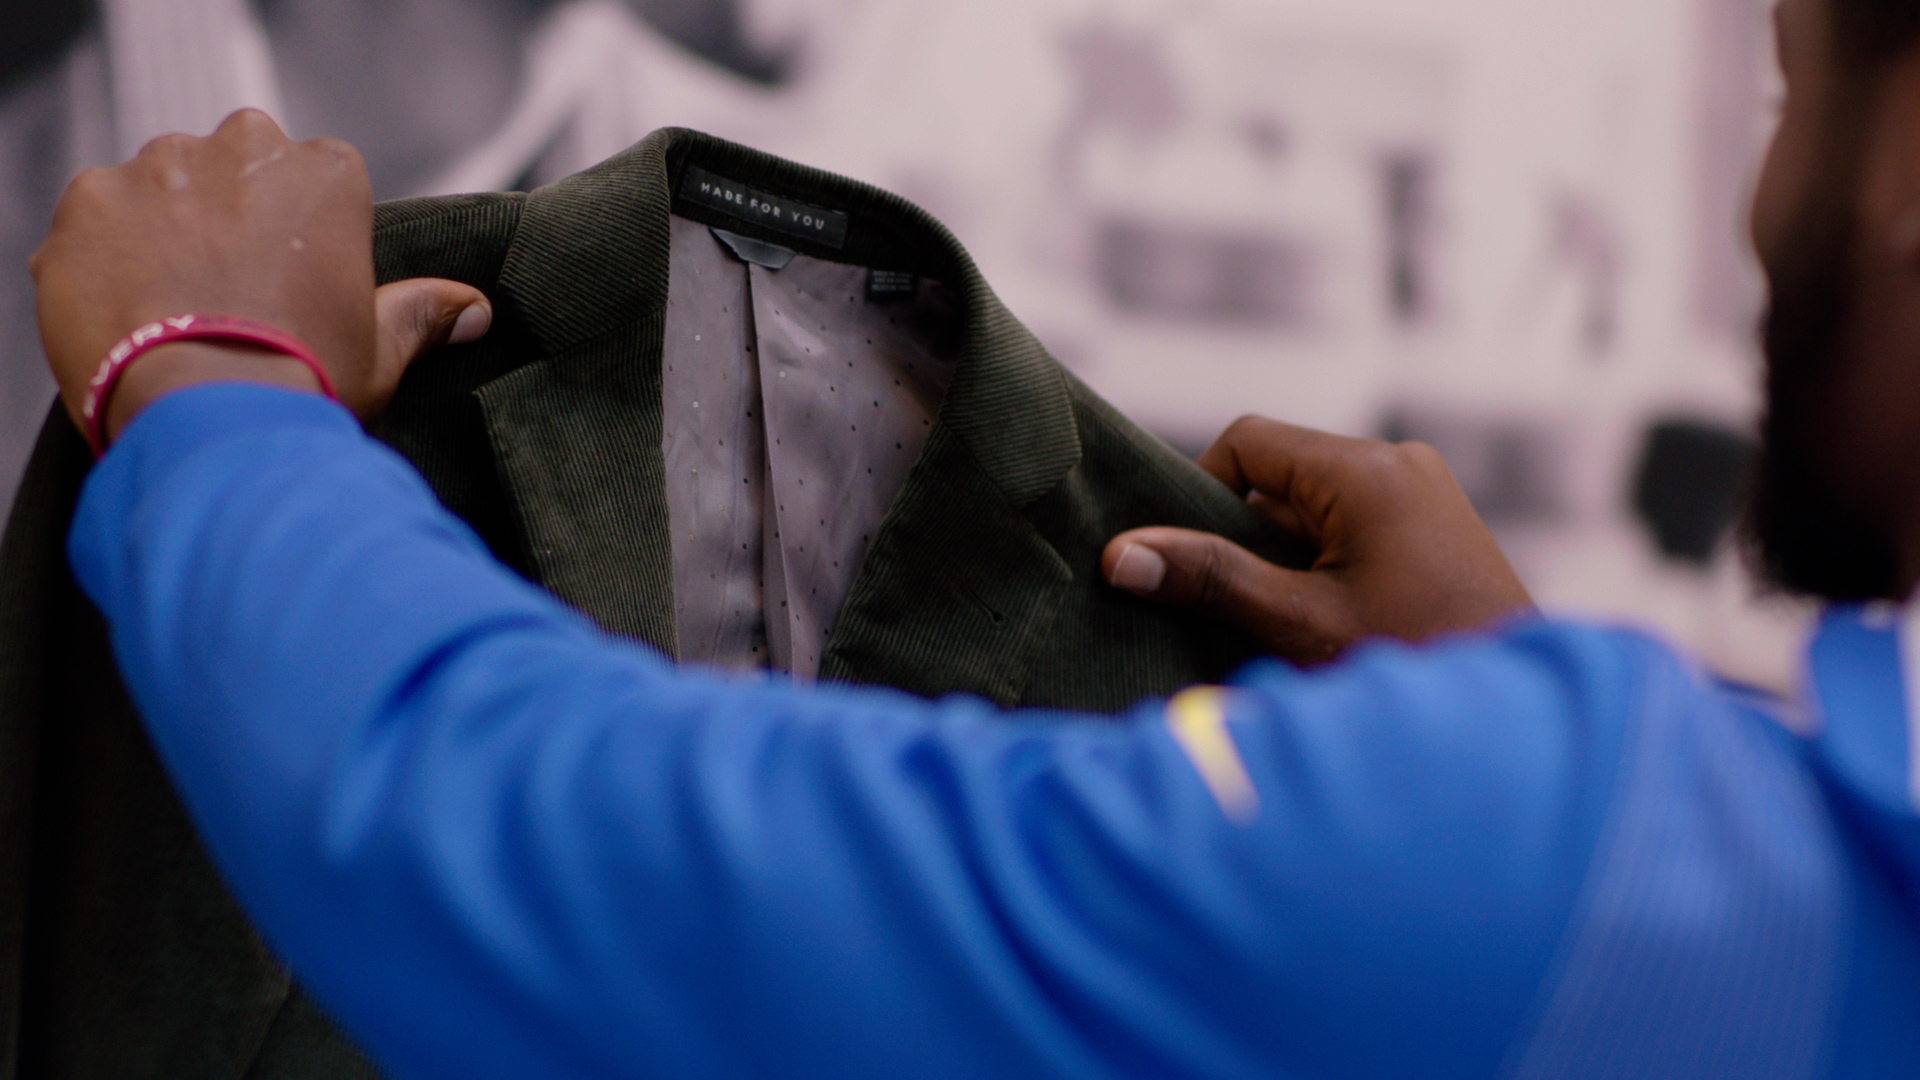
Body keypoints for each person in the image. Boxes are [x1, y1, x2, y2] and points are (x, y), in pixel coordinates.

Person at [24, 0, 1920, 1074]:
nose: (1764, 203)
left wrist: (215, 391)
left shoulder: (1611, 873)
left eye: (1797, 92)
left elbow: (548, 851)